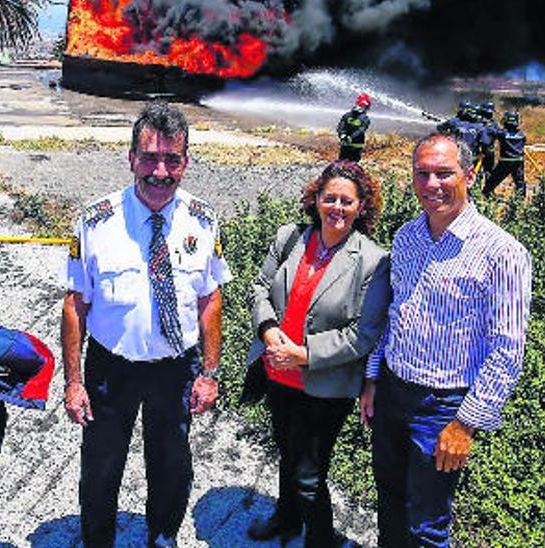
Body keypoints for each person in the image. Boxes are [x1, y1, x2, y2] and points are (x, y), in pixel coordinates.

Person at [61, 100, 232, 548]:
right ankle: (97, 540)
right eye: (150, 158)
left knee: (172, 461)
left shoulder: (203, 219)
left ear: (186, 162)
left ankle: (163, 536)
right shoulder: (96, 221)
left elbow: (210, 298)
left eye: (172, 159)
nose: (160, 171)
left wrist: (209, 373)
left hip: (175, 367)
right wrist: (74, 382)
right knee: (101, 464)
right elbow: (76, 305)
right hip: (110, 366)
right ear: (132, 158)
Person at [361, 132, 532, 547]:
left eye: (444, 173)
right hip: (392, 391)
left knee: (428, 524)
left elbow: (507, 351)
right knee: (389, 501)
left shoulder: (502, 253)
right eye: (422, 174)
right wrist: (372, 379)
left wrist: (466, 423)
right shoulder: (406, 237)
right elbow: (393, 315)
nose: (432, 184)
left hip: (443, 408)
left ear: (470, 175)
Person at [240, 160, 391, 547]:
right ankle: (287, 519)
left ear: (361, 207)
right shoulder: (290, 237)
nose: (337, 208)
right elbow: (259, 287)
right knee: (286, 451)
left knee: (309, 472)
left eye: (347, 201)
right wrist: (268, 329)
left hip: (324, 384)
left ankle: (321, 539)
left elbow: (364, 333)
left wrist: (304, 354)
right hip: (277, 372)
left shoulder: (373, 260)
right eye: (330, 198)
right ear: (316, 199)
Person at [483, 111, 528, 198]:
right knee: (519, 181)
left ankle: (487, 193)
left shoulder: (502, 134)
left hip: (505, 161)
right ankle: (521, 198)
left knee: (494, 179)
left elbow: (492, 132)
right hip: (518, 161)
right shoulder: (522, 134)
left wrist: (487, 125)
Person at [337, 94, 372, 162]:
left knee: (342, 162)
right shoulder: (365, 119)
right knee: (353, 164)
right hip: (356, 145)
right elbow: (361, 130)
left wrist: (343, 136)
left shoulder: (347, 115)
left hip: (347, 144)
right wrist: (348, 137)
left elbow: (341, 127)